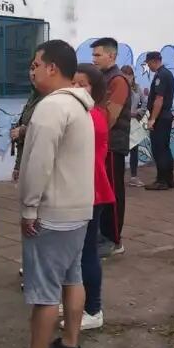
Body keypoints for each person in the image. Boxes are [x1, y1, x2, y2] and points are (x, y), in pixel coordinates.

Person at [0, 40, 94, 348]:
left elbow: (38, 165)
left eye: (35, 64)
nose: (31, 70)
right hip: (78, 209)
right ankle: (69, 346)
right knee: (72, 277)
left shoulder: (51, 108)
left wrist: (28, 208)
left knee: (44, 291)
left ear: (52, 67)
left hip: (52, 212)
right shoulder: (80, 105)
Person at [68, 64, 115, 330]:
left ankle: (93, 308)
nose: (75, 88)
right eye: (72, 83)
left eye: (82, 83)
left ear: (94, 89)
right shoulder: (84, 113)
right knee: (74, 253)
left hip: (91, 192)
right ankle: (77, 301)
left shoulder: (92, 116)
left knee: (86, 253)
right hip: (80, 190)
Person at [91, 38, 130, 256]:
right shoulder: (100, 79)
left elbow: (110, 117)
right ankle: (101, 235)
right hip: (99, 145)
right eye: (93, 55)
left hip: (112, 145)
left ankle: (114, 239)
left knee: (113, 193)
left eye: (98, 55)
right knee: (100, 192)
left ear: (111, 56)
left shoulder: (118, 81)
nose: (94, 59)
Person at [144, 51, 174, 191]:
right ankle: (169, 179)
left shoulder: (161, 76)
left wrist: (152, 119)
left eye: (148, 63)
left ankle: (162, 181)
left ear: (152, 61)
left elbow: (159, 99)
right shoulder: (167, 73)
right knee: (165, 149)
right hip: (165, 116)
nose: (148, 66)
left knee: (159, 150)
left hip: (161, 117)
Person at [11, 62, 43, 182]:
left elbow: (46, 131)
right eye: (31, 69)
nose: (33, 74)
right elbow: (22, 140)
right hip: (26, 162)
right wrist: (18, 166)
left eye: (37, 68)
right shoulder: (33, 96)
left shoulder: (52, 99)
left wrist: (23, 131)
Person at [122, 64, 146, 188]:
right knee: (120, 150)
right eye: (125, 76)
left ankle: (134, 176)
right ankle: (119, 176)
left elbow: (145, 102)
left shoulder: (137, 88)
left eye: (129, 76)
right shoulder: (118, 88)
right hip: (121, 122)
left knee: (134, 149)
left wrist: (138, 113)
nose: (127, 79)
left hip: (133, 121)